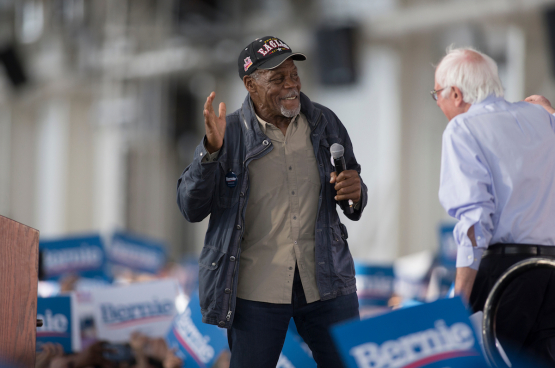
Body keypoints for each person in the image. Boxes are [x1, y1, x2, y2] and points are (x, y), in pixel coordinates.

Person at [176, 36, 367, 368]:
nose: (291, 85)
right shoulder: (227, 133)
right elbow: (190, 207)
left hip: (327, 282)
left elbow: (351, 200)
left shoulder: (326, 124)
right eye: (278, 78)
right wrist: (210, 153)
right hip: (256, 292)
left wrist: (357, 193)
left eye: (293, 74)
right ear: (251, 84)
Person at [433, 47, 555, 363]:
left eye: (437, 95)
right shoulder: (540, 115)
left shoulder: (462, 128)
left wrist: (459, 296)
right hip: (550, 272)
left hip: (507, 274)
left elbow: (475, 219)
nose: (439, 105)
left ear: (456, 94)